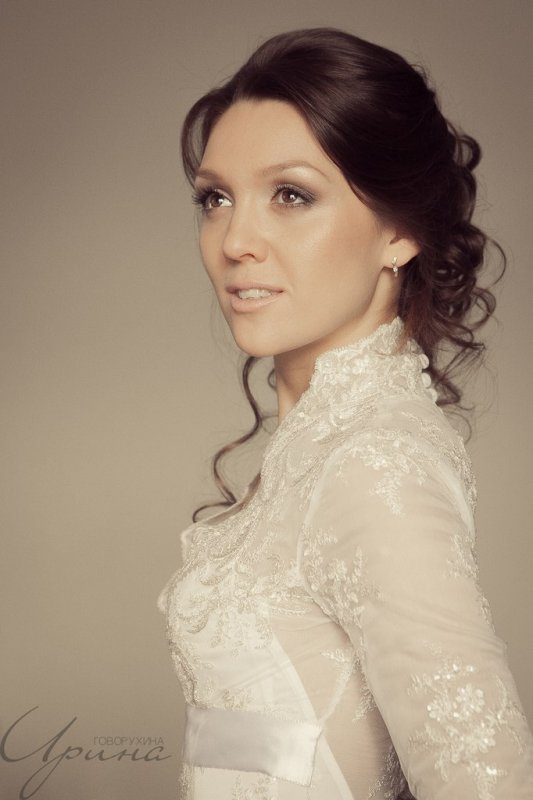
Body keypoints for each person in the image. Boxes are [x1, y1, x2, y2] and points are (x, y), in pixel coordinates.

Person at [157, 27, 533, 799]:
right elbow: (264, 753)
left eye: (290, 195)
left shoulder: (372, 462)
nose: (235, 240)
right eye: (216, 198)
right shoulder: (320, 447)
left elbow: (482, 776)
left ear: (399, 231)